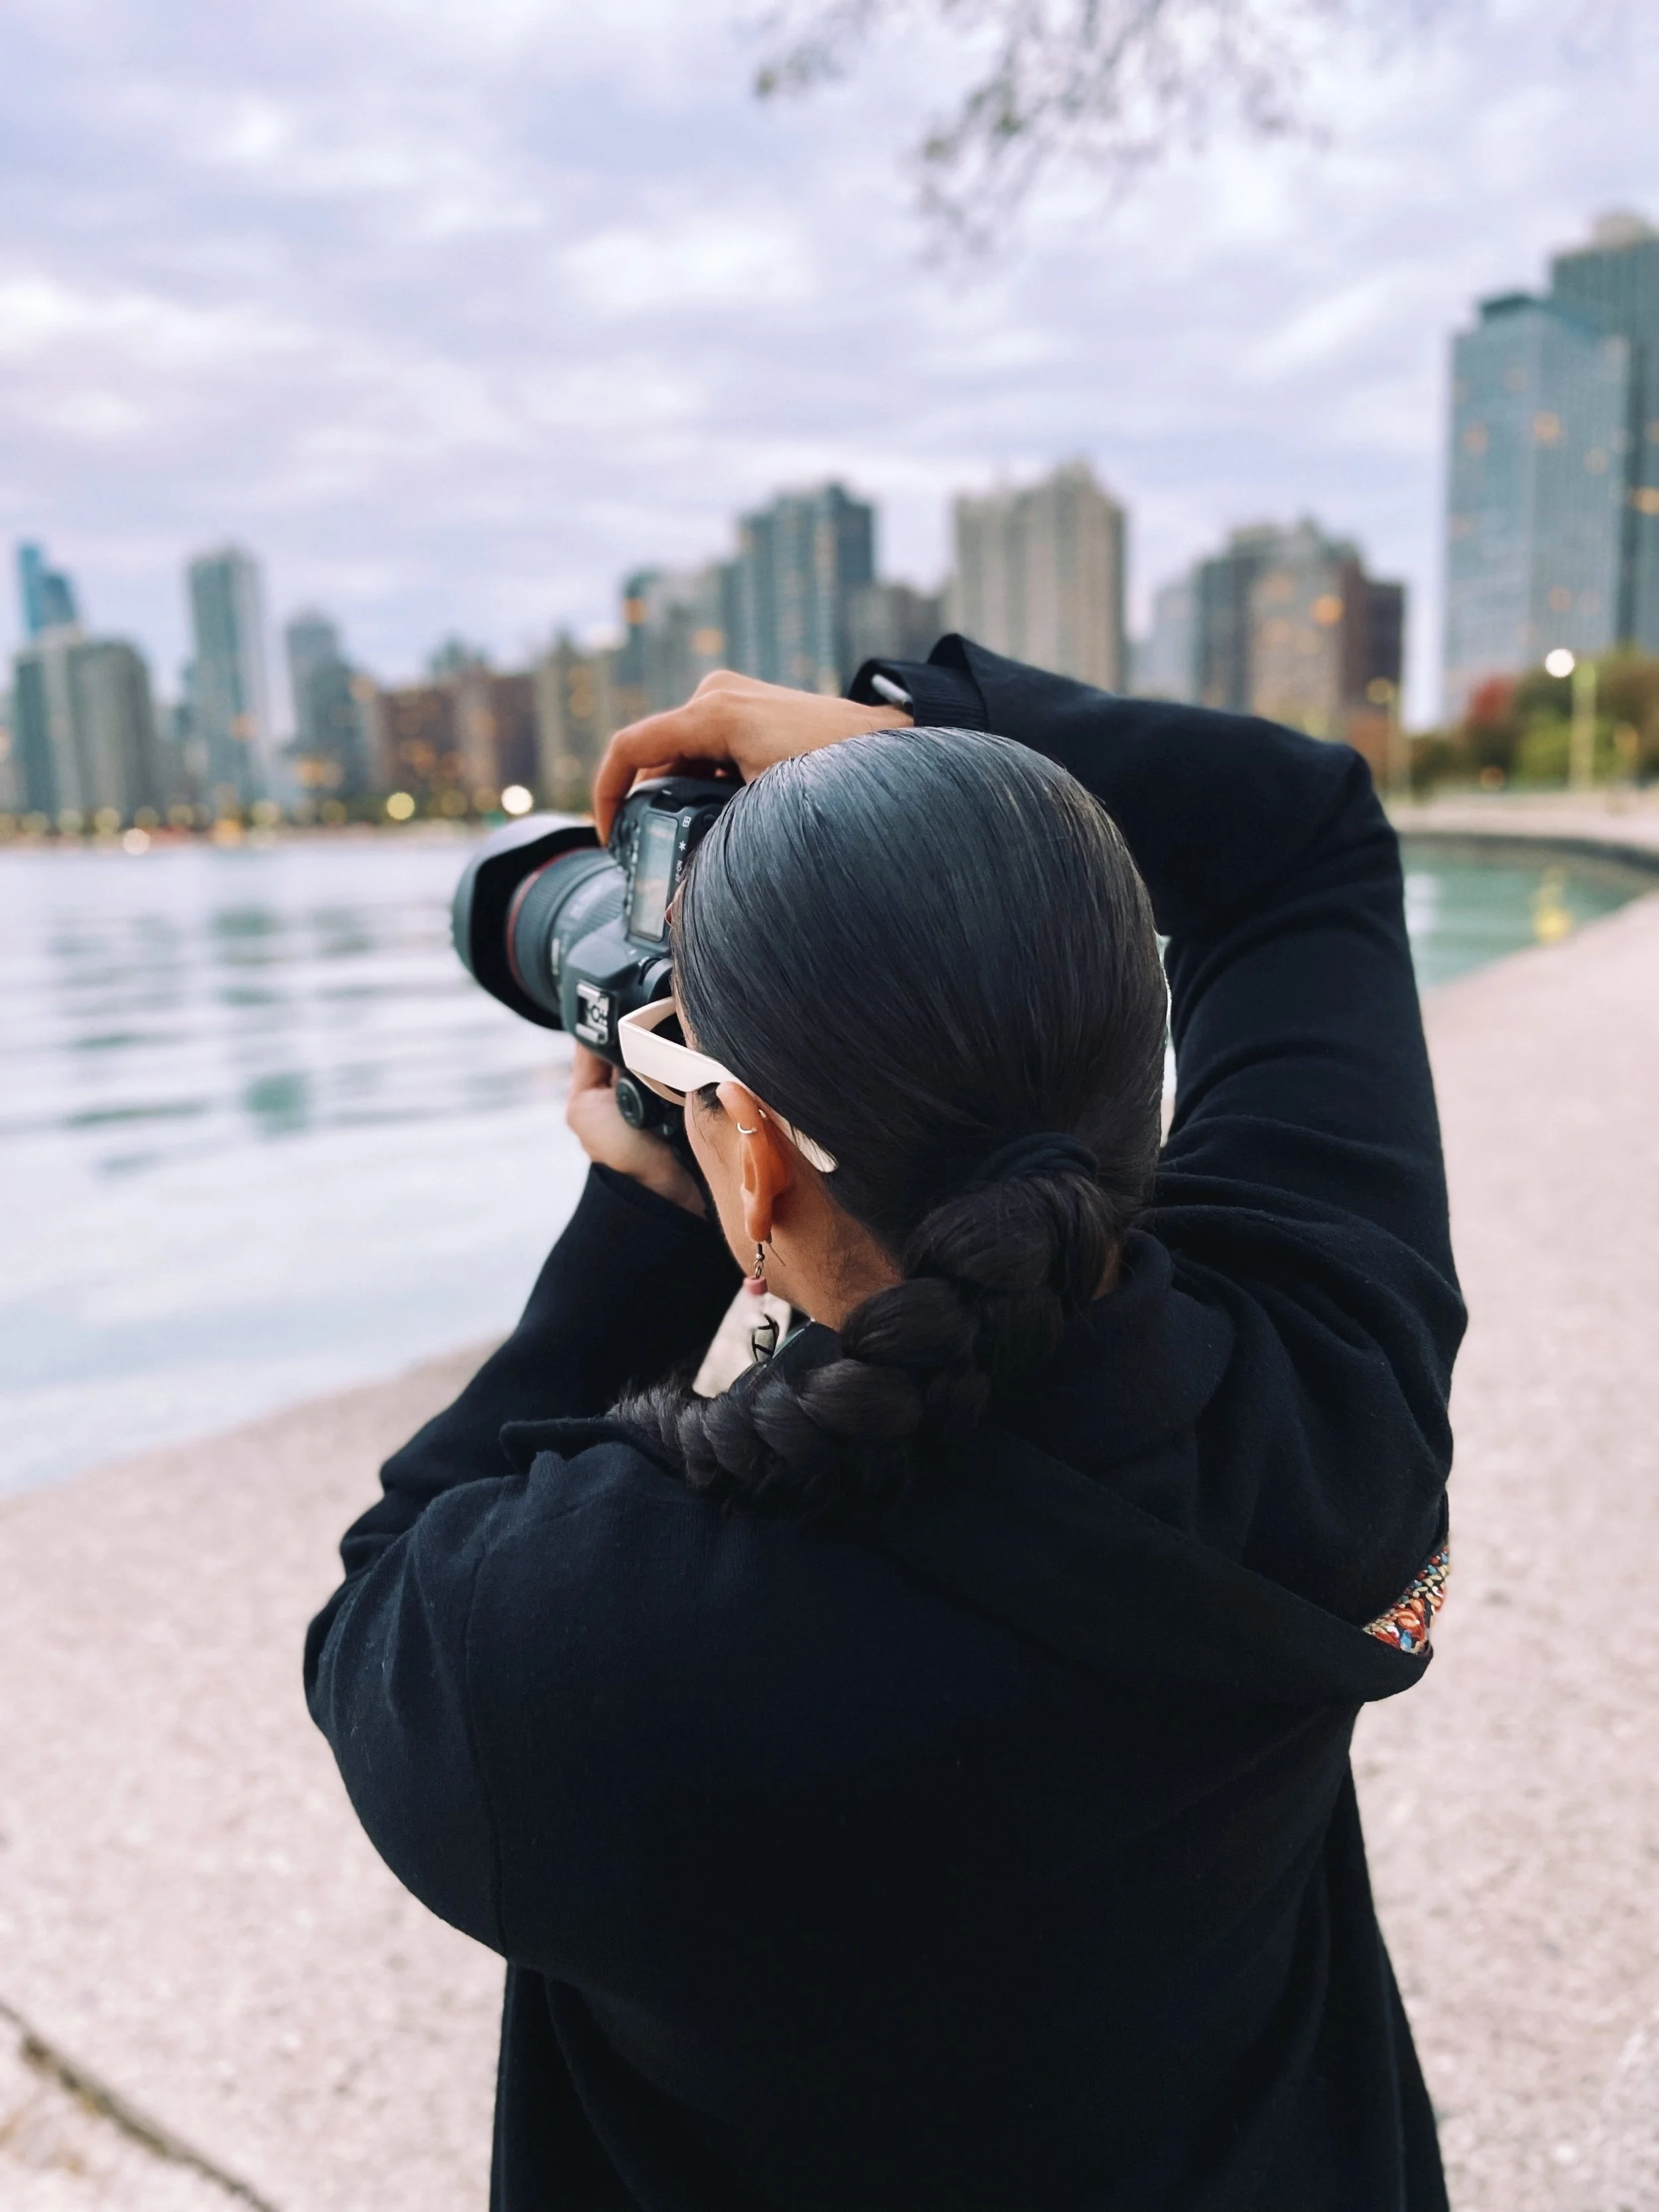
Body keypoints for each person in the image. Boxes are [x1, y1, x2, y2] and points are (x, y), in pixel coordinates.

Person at [306, 635, 1463, 2211]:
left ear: (761, 1158)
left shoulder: (572, 1661)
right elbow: (1294, 835)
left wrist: (649, 1213)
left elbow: (381, 1589)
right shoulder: (1328, 1391)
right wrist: (913, 737)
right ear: (1142, 1053)